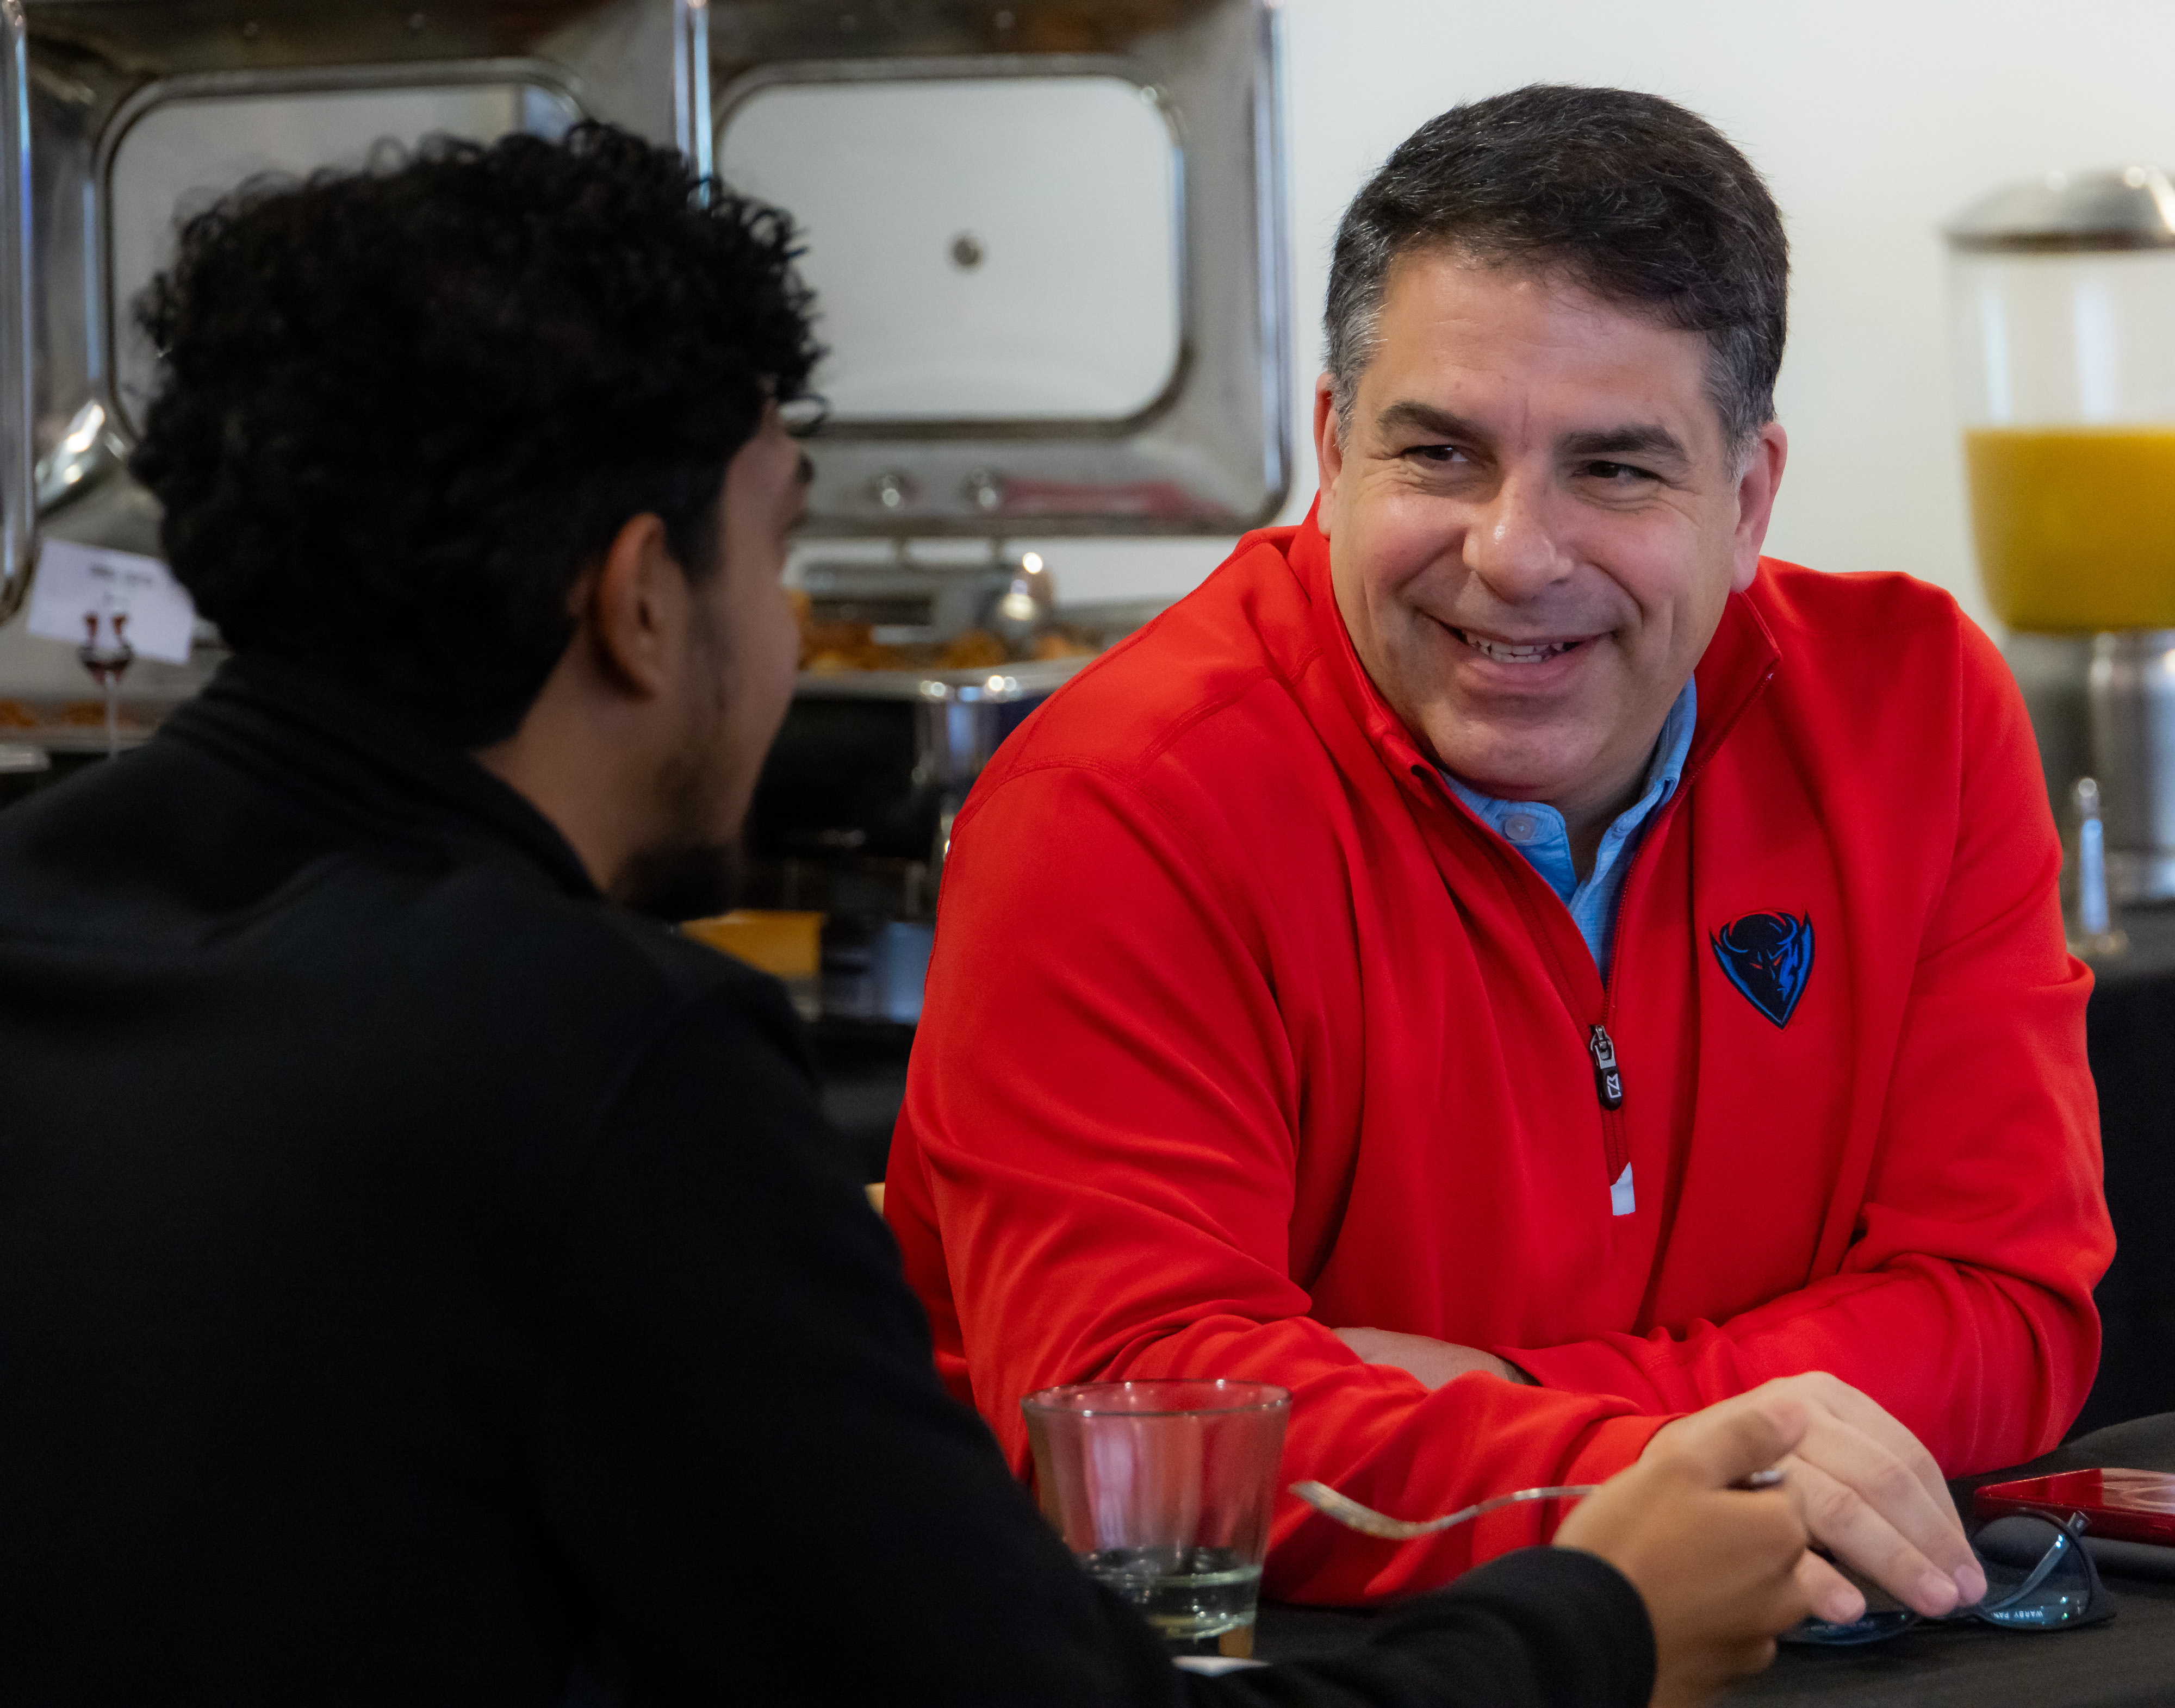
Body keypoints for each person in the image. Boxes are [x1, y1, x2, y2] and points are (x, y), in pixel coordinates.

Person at [0, 123, 1831, 1707]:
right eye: (780, 551)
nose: (788, 634)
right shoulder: (598, 1066)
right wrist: (1603, 1619)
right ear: (642, 604)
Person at [885, 83, 2116, 1610]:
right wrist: (1682, 1462)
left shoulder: (1915, 708)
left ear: (1747, 501)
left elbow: (2007, 1311)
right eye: (1441, 455)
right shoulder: (1115, 806)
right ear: (1333, 453)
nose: (1515, 555)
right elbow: (1148, 1439)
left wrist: (1496, 1395)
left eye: (1614, 470)